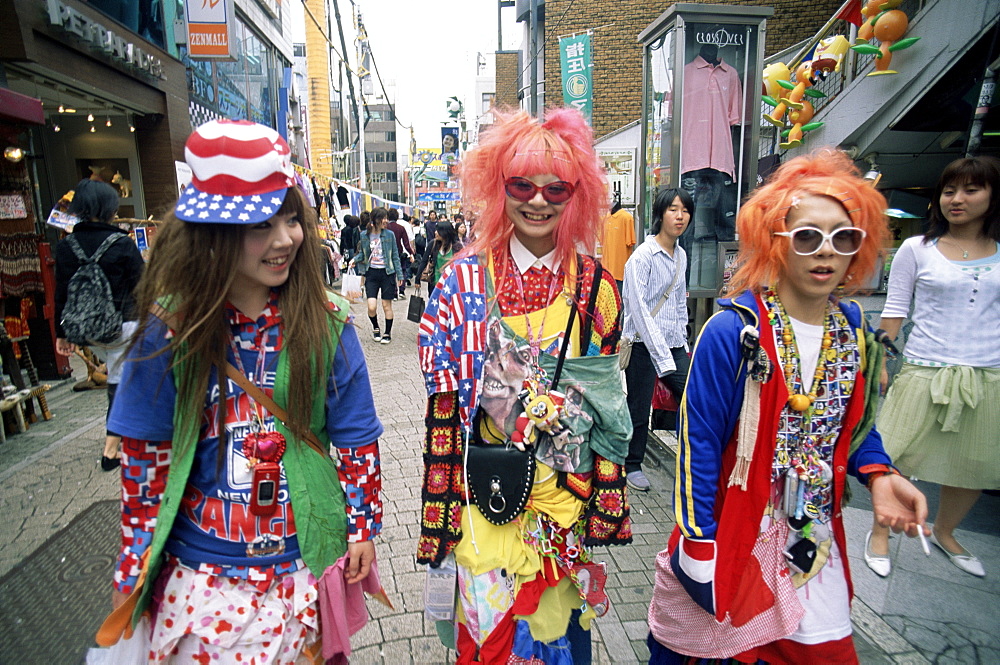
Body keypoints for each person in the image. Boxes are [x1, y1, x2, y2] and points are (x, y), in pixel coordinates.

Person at [106, 120, 384, 663]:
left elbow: (356, 442)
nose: (284, 240)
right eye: (261, 225)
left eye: (291, 219)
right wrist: (134, 569)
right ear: (213, 234)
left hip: (301, 568)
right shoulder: (170, 331)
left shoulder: (328, 323)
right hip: (201, 578)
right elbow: (145, 470)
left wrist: (363, 528)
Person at [646, 150, 928, 664]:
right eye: (807, 237)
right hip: (736, 535)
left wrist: (881, 476)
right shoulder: (734, 331)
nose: (826, 253)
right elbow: (699, 446)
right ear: (776, 242)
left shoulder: (855, 333)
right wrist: (699, 545)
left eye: (843, 238)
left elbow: (854, 427)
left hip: (813, 539)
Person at [417, 108, 633, 664]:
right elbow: (443, 408)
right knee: (490, 643)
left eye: (555, 187)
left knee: (557, 638)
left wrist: (606, 502)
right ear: (499, 186)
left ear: (575, 194)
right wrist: (436, 513)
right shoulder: (460, 282)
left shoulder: (597, 288)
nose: (538, 201)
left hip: (564, 506)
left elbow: (611, 413)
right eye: (522, 185)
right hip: (482, 496)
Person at [865, 156, 1000, 579]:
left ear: (993, 196)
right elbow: (894, 310)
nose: (957, 199)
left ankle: (946, 531)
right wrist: (880, 362)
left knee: (973, 464)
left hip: (985, 374)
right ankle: (880, 533)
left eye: (970, 190)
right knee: (893, 456)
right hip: (924, 369)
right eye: (949, 191)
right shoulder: (916, 248)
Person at [54, 178, 144, 472]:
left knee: (120, 376)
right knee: (121, 383)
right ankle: (111, 449)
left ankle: (125, 435)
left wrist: (62, 333)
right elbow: (144, 288)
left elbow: (62, 292)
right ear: (109, 209)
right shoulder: (121, 243)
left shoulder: (67, 247)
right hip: (122, 329)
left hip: (88, 333)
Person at [621, 188, 692, 492]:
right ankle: (631, 463)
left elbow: (678, 304)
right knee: (638, 407)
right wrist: (661, 356)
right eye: (673, 209)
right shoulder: (642, 258)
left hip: (673, 344)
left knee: (694, 393)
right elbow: (638, 310)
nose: (680, 216)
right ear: (660, 214)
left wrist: (683, 344)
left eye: (685, 210)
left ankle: (694, 458)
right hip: (641, 345)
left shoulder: (681, 256)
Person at [354, 206, 401, 344]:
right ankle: (375, 327)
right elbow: (362, 254)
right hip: (371, 273)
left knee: (387, 305)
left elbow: (395, 256)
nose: (386, 221)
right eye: (383, 218)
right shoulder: (364, 235)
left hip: (387, 273)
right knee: (371, 306)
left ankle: (387, 333)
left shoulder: (389, 235)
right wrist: (354, 260)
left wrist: (400, 276)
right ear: (375, 220)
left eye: (386, 217)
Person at [420, 220, 462, 289]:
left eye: (438, 231)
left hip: (451, 284)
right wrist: (417, 279)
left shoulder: (457, 246)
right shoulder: (433, 244)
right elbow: (424, 260)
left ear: (445, 232)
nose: (435, 233)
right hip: (435, 283)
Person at [386, 208, 414, 300]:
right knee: (402, 271)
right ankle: (401, 290)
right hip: (399, 252)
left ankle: (394, 293)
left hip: (387, 253)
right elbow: (406, 243)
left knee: (392, 273)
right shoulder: (401, 228)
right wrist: (411, 253)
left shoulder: (386, 228)